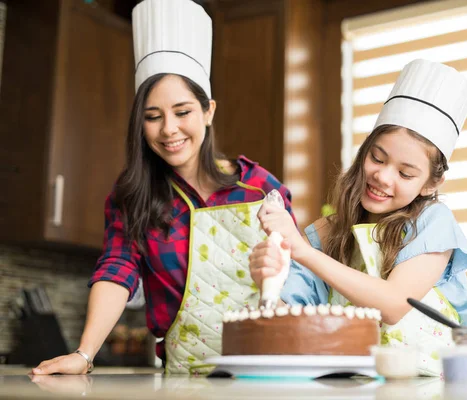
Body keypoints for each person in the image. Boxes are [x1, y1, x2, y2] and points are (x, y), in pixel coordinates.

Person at [32, 0, 295, 376]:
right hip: (182, 377)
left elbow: (299, 276)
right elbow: (117, 269)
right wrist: (84, 353)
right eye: (152, 117)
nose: (168, 129)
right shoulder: (133, 198)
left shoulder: (259, 188)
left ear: (208, 112)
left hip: (268, 371)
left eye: (183, 112)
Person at [249, 59, 467, 376]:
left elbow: (395, 303)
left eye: (405, 173)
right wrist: (269, 278)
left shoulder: (433, 222)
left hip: (425, 387)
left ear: (430, 184)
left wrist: (302, 252)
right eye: (377, 157)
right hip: (348, 383)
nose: (383, 176)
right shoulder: (327, 232)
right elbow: (292, 318)